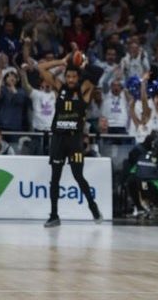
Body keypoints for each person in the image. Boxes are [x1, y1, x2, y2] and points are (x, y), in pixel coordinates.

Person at [37, 54, 103, 228]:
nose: (71, 79)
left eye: (74, 76)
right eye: (68, 76)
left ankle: (93, 208)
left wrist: (82, 64)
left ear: (78, 76)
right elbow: (41, 68)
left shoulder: (84, 89)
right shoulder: (60, 87)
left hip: (75, 140)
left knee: (78, 176)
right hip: (58, 138)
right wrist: (62, 62)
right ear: (65, 77)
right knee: (55, 179)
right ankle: (54, 215)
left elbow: (99, 71)